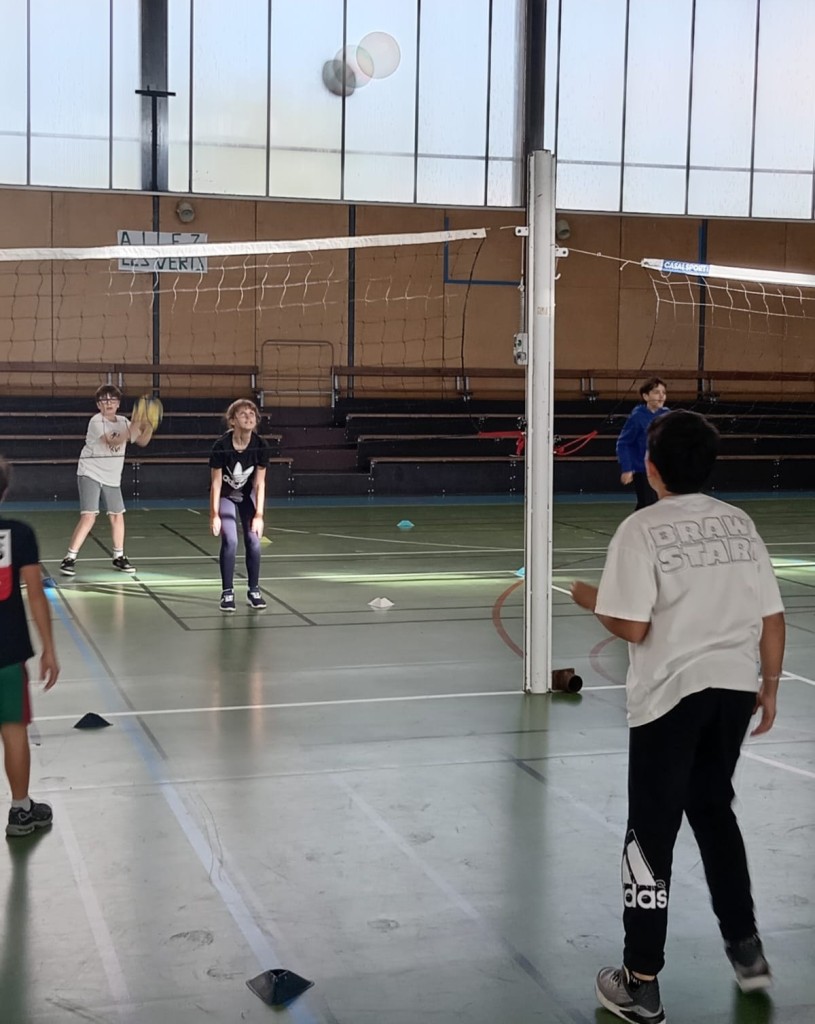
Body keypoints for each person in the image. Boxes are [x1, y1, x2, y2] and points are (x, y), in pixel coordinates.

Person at [570, 410, 785, 1024]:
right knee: (714, 812)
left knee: (651, 832)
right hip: (733, 693)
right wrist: (769, 687)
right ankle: (746, 950)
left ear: (651, 467)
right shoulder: (739, 524)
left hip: (670, 700)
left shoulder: (640, 529)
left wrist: (591, 599)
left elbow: (632, 625)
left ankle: (640, 982)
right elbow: (772, 616)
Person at [0, 456, 60, 837]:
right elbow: (36, 596)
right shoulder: (19, 534)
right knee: (12, 728)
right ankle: (20, 811)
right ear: (5, 491)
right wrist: (49, 649)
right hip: (7, 653)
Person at [60, 384, 153, 576]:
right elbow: (114, 440)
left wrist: (149, 426)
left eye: (112, 400)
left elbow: (142, 441)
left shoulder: (124, 422)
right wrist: (135, 425)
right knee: (89, 516)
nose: (108, 403)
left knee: (117, 515)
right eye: (104, 400)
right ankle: (69, 558)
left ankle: (119, 556)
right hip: (90, 472)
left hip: (112, 477)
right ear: (98, 405)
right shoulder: (96, 421)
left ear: (118, 403)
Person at [209, 399, 269, 612]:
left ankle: (254, 590)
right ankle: (227, 592)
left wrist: (259, 515)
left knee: (254, 540)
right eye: (243, 414)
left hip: (246, 495)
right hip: (226, 495)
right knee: (231, 540)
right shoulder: (221, 446)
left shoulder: (261, 446)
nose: (249, 417)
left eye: (252, 414)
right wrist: (214, 514)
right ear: (232, 421)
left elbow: (259, 483)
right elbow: (216, 483)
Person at [616, 377, 669, 510]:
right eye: (656, 392)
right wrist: (627, 468)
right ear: (646, 396)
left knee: (656, 506)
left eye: (663, 392)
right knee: (648, 505)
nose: (661, 396)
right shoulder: (637, 417)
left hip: (662, 469)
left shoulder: (667, 415)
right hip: (643, 469)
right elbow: (623, 443)